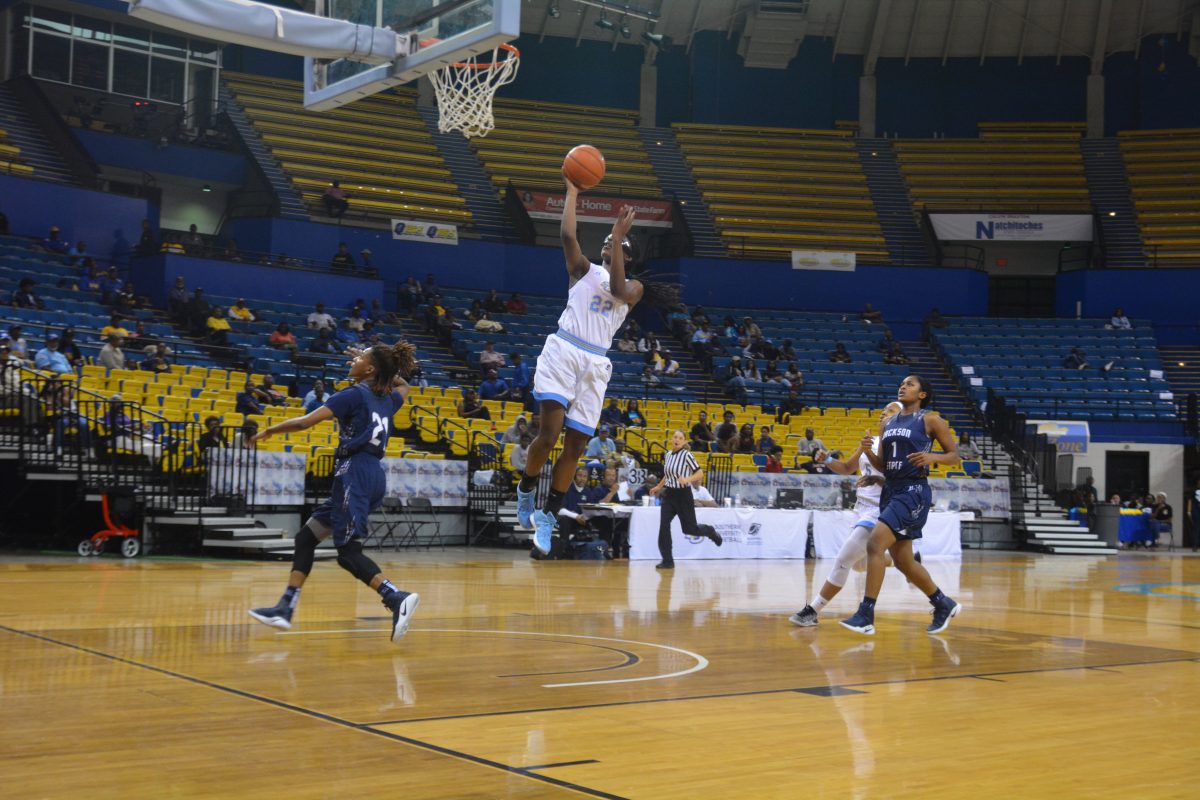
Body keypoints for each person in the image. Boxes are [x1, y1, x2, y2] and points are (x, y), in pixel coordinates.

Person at [514, 186, 661, 556]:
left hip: (596, 363)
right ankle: (527, 487)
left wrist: (621, 237)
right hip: (564, 350)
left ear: (627, 254)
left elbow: (616, 286)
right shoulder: (583, 270)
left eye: (617, 242)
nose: (610, 243)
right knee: (548, 437)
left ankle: (548, 515)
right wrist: (572, 191)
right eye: (608, 240)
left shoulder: (634, 287)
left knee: (575, 447)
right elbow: (567, 235)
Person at [247, 342, 420, 641]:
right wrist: (375, 365)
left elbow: (305, 422)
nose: (352, 360)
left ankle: (395, 596)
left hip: (355, 472)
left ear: (370, 369)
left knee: (347, 553)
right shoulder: (388, 398)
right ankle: (284, 608)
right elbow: (402, 383)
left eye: (360, 358)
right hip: (372, 474)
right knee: (306, 538)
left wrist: (269, 431)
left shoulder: (354, 395)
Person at [841, 376, 962, 636]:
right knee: (903, 561)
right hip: (892, 490)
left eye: (911, 384)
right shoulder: (888, 424)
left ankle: (866, 613)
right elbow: (884, 465)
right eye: (902, 384)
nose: (903, 386)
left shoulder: (930, 420)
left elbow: (954, 456)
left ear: (922, 395)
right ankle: (943, 603)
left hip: (913, 491)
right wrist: (869, 455)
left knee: (875, 544)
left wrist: (932, 457)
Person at [790, 403, 907, 627]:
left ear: (901, 418)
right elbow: (845, 468)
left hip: (881, 510)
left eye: (891, 410)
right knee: (859, 565)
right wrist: (826, 460)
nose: (884, 411)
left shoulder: (901, 446)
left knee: (843, 560)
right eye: (883, 409)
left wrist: (880, 480)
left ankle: (812, 611)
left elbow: (904, 481)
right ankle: (897, 560)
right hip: (862, 508)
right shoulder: (869, 441)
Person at [648, 430, 722, 569]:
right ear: (672, 439)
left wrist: (687, 479)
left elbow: (699, 473)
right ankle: (667, 560)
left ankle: (710, 531)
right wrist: (658, 486)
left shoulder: (687, 455)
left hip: (683, 495)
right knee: (664, 526)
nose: (677, 439)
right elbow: (667, 475)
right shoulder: (668, 455)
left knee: (689, 529)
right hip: (669, 494)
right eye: (675, 437)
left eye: (680, 438)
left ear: (684, 442)